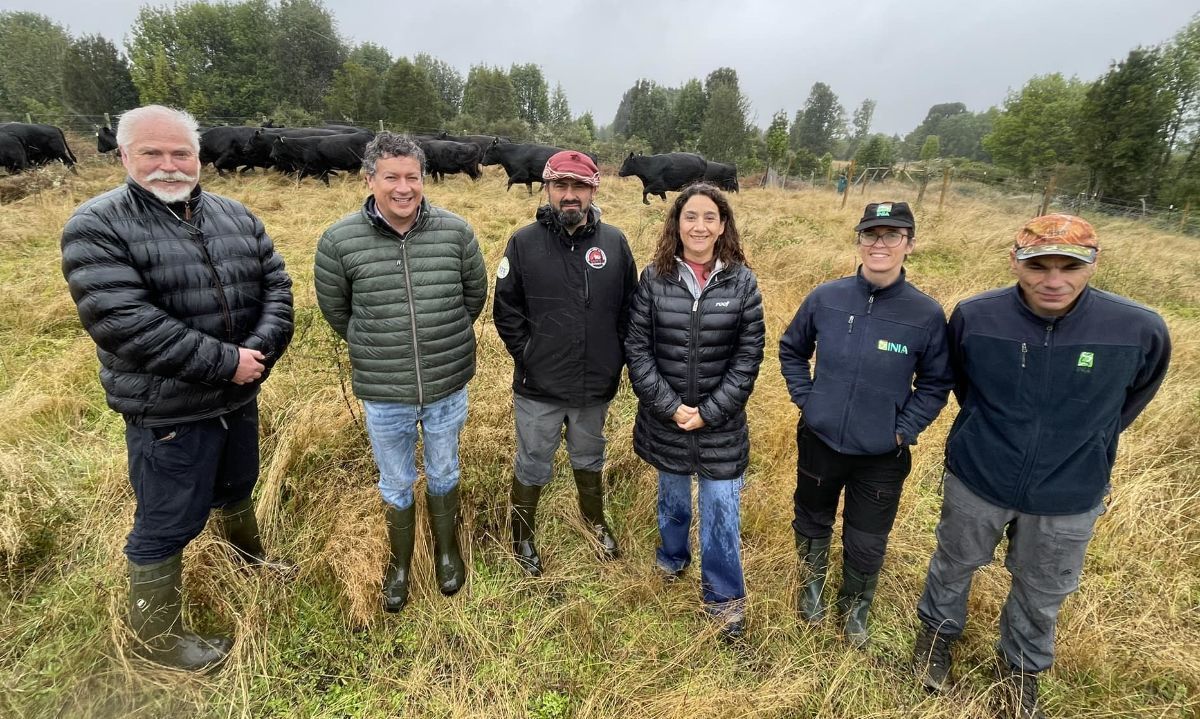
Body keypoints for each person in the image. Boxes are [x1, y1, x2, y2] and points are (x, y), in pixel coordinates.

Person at [60, 105, 294, 672]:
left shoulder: (237, 215)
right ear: (125, 156)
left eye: (180, 153)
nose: (169, 165)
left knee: (239, 483)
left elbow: (278, 288)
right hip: (167, 406)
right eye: (152, 153)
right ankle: (156, 636)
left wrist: (255, 355)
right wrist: (226, 363)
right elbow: (123, 323)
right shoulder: (97, 225)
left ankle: (246, 558)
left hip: (239, 394)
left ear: (198, 155)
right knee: (167, 519)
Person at [912, 214, 1171, 718]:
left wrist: (1085, 443)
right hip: (980, 477)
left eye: (1069, 266)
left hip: (1069, 493)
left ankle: (1019, 675)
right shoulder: (976, 317)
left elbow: (1132, 400)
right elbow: (965, 387)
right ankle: (933, 645)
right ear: (1015, 261)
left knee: (1042, 588)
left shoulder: (1137, 328)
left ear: (1093, 264)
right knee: (953, 564)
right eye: (1039, 266)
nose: (1053, 280)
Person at [314, 132, 486, 613]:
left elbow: (474, 298)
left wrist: (439, 340)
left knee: (444, 466)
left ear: (424, 180)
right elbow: (337, 311)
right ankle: (400, 563)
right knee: (394, 478)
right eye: (391, 177)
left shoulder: (456, 231)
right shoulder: (338, 240)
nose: (403, 187)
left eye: (412, 177)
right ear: (369, 180)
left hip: (445, 379)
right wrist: (381, 347)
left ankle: (447, 552)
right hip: (383, 387)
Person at [780, 201, 952, 648]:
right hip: (819, 439)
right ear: (858, 241)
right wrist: (808, 399)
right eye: (870, 235)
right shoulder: (826, 298)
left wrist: (903, 428)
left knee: (867, 538)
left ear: (909, 245)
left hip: (882, 453)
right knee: (812, 517)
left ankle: (855, 606)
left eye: (891, 235)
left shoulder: (926, 314)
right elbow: (791, 349)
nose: (879, 244)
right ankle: (811, 590)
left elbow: (936, 382)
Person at [624, 183, 765, 641]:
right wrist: (670, 407)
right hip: (668, 418)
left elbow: (749, 358)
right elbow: (638, 350)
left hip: (720, 423)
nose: (699, 226)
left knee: (722, 507)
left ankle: (724, 598)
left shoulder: (743, 282)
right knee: (673, 496)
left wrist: (710, 411)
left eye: (709, 217)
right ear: (676, 224)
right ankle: (672, 558)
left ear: (722, 225)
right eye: (690, 217)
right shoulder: (654, 278)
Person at [492, 150, 637, 575]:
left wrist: (617, 358)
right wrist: (530, 356)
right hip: (539, 385)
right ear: (547, 189)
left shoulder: (615, 242)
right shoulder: (523, 243)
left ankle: (594, 521)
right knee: (533, 458)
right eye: (561, 186)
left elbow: (632, 307)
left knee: (590, 455)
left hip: (596, 384)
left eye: (579, 186)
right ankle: (522, 535)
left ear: (594, 189)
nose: (569, 195)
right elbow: (507, 311)